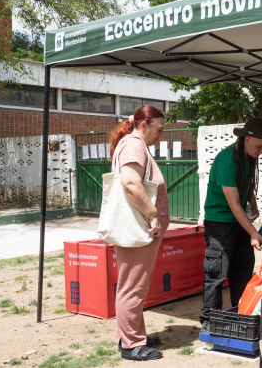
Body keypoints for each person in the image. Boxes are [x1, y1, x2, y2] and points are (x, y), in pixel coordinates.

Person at [200, 117, 262, 331]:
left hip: (239, 222)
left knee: (242, 271)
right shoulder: (226, 161)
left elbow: (246, 185)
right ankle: (209, 320)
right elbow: (233, 204)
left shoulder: (248, 157)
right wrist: (253, 232)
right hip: (220, 223)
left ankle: (241, 315)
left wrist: (253, 202)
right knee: (216, 272)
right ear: (247, 139)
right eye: (259, 146)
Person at [109, 105, 169, 361]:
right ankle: (131, 343)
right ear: (144, 125)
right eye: (159, 129)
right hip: (139, 228)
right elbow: (131, 183)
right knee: (132, 286)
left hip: (140, 230)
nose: (161, 135)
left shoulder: (134, 144)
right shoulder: (134, 145)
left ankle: (133, 335)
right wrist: (153, 214)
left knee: (134, 285)